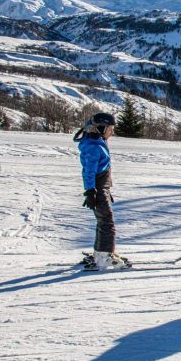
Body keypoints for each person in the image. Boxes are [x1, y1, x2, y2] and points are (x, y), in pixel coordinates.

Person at [73, 112, 129, 270]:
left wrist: (106, 190)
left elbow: (102, 169)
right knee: (107, 222)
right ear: (101, 128)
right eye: (110, 129)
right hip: (97, 189)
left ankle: (100, 253)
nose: (112, 132)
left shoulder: (97, 143)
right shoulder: (94, 146)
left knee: (103, 221)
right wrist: (91, 191)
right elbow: (89, 171)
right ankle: (105, 256)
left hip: (100, 188)